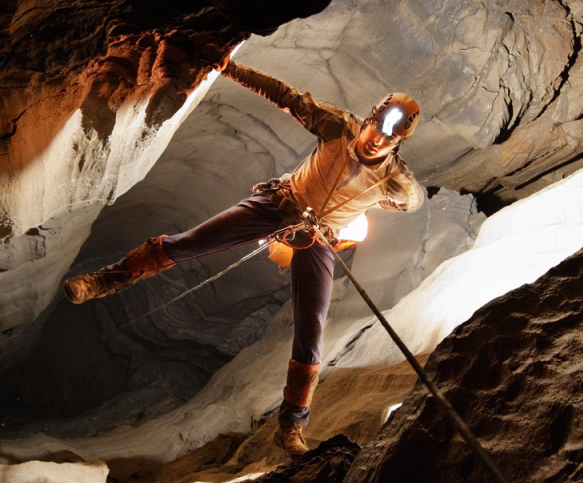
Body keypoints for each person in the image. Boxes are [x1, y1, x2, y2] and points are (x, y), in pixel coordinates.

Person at [64, 51, 424, 459]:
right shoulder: (338, 126)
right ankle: (107, 279)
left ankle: (291, 425)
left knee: (311, 332)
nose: (376, 138)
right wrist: (230, 68)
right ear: (371, 118)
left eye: (389, 137)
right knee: (191, 242)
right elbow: (287, 96)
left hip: (319, 239)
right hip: (280, 204)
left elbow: (410, 201)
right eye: (377, 127)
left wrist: (354, 218)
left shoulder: (394, 179)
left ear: (398, 142)